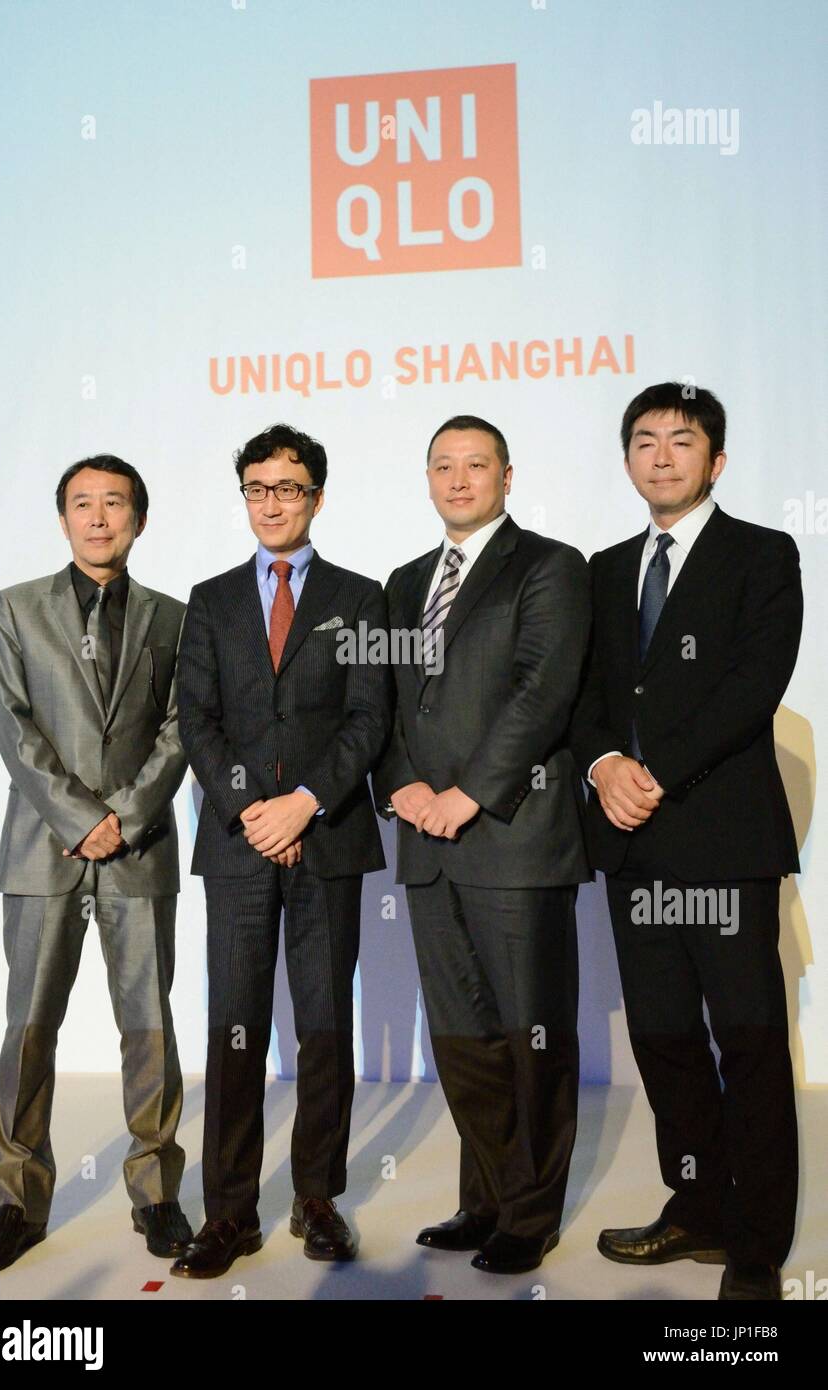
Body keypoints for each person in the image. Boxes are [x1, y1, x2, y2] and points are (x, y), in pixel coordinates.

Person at [570, 382, 802, 1301]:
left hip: (723, 844)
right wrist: (600, 767)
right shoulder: (604, 566)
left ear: (717, 459)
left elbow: (752, 687)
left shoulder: (763, 553)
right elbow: (581, 695)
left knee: (745, 1040)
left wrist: (651, 770)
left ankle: (757, 1242)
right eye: (644, 441)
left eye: (682, 440)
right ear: (627, 458)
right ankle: (697, 1207)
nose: (661, 456)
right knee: (665, 1043)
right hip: (633, 847)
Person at [0, 455, 192, 1275]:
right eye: (83, 505)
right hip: (43, 848)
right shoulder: (14, 609)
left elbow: (179, 729)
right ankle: (17, 1202)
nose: (99, 518)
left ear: (140, 516)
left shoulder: (174, 617)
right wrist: (81, 816)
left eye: (116, 503)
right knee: (29, 1029)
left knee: (150, 1027)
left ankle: (158, 1196)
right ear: (63, 519)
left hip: (140, 850)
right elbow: (14, 727)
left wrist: (122, 819)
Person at [373, 414, 591, 1275]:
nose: (458, 480)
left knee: (531, 1033)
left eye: (476, 465)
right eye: (442, 466)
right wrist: (403, 786)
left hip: (512, 836)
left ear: (507, 474)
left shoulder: (549, 566)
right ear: (427, 479)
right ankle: (488, 1197)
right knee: (463, 1036)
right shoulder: (402, 581)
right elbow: (384, 704)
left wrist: (466, 793)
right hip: (429, 846)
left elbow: (543, 693)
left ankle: (530, 1215)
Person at [172, 424, 392, 1277]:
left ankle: (317, 1200)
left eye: (288, 488)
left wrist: (301, 805)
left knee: (323, 1026)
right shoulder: (212, 598)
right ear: (245, 498)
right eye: (257, 488)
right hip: (236, 848)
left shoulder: (360, 596)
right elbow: (198, 719)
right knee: (235, 1028)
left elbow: (369, 718)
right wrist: (252, 808)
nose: (271, 502)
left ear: (317, 498)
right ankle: (228, 1214)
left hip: (328, 840)